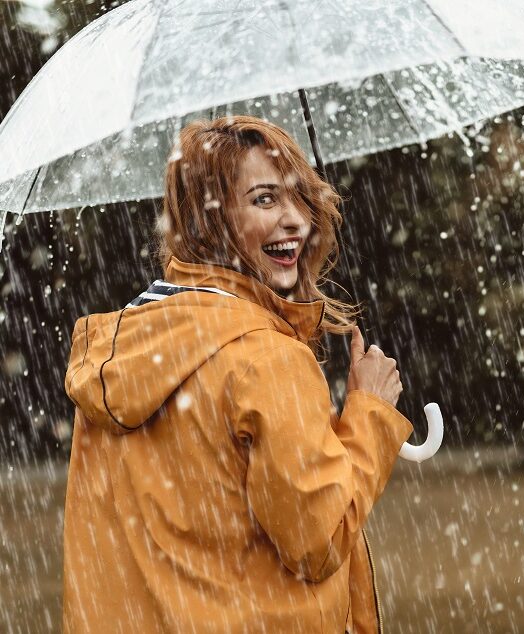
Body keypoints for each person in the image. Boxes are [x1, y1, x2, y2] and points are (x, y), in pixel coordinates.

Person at [62, 115, 413, 633]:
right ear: (208, 220)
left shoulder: (127, 348)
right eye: (265, 199)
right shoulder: (264, 359)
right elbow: (316, 541)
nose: (296, 221)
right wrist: (370, 416)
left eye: (300, 198)